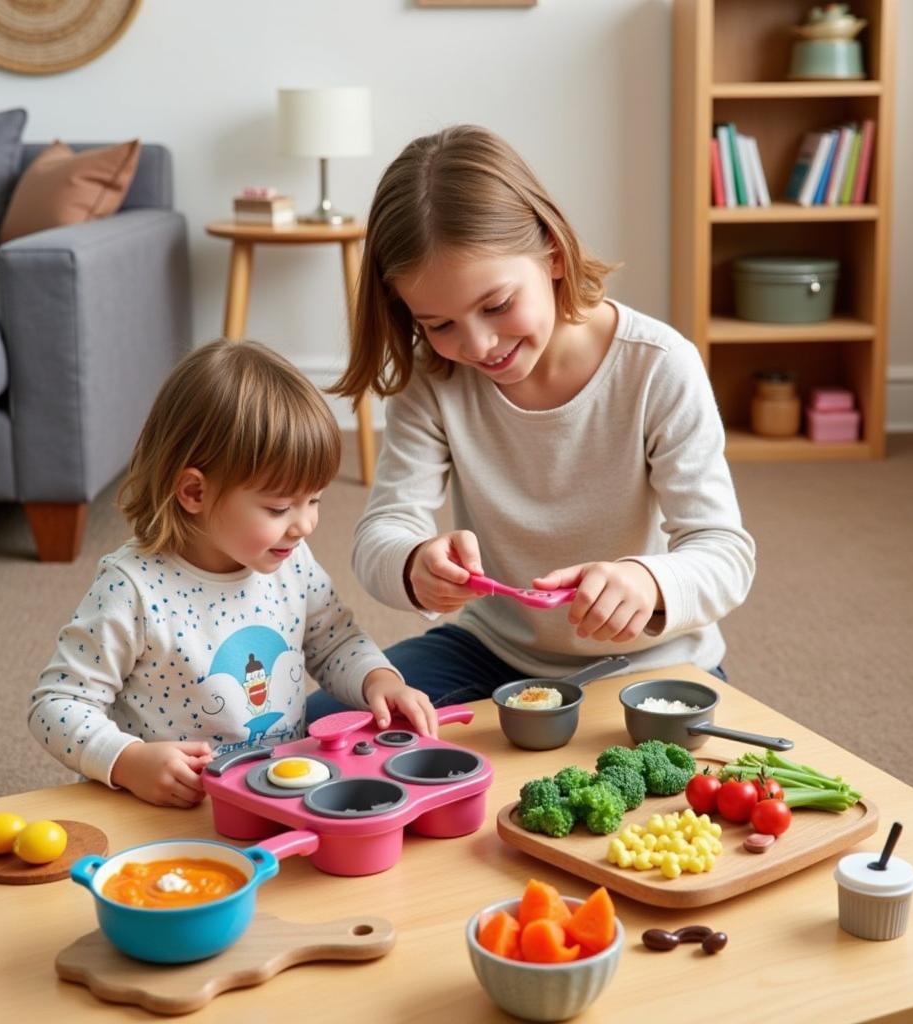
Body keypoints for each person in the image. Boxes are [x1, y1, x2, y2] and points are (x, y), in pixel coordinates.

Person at [306, 125, 755, 722]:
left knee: (632, 790)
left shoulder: (658, 366)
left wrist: (646, 582)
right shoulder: (434, 377)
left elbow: (724, 553)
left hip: (651, 659)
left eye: (496, 306)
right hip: (493, 650)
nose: (479, 344)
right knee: (322, 723)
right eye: (439, 324)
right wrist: (415, 563)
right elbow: (382, 531)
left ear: (553, 253)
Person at [29, 340, 436, 808]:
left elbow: (335, 641)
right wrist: (127, 761)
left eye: (315, 500)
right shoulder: (133, 589)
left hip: (279, 796)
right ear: (194, 492)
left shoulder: (291, 560)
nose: (304, 525)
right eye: (280, 507)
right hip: (169, 807)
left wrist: (377, 680)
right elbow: (56, 705)